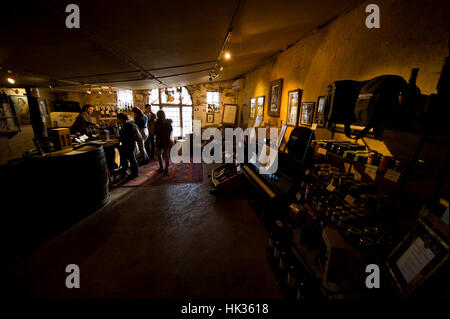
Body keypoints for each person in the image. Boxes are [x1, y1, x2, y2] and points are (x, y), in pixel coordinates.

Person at [117, 113, 140, 180]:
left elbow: (126, 136)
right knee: (129, 158)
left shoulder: (127, 125)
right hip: (130, 143)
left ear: (121, 119)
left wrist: (120, 138)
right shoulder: (129, 123)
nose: (118, 120)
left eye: (118, 119)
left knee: (130, 159)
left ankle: (133, 173)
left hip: (128, 144)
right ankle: (130, 172)